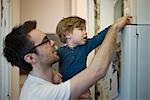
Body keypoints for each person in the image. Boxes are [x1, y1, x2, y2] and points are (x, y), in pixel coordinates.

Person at [3, 16, 131, 100]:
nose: (53, 43)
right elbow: (97, 70)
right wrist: (114, 28)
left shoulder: (41, 83)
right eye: (46, 41)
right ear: (31, 58)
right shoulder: (40, 95)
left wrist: (54, 74)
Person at [56, 16, 110, 99]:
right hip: (66, 92)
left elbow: (99, 37)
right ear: (68, 34)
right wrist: (54, 73)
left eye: (85, 29)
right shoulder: (59, 52)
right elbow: (45, 64)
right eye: (81, 29)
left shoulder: (85, 46)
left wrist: (114, 26)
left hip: (83, 91)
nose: (85, 32)